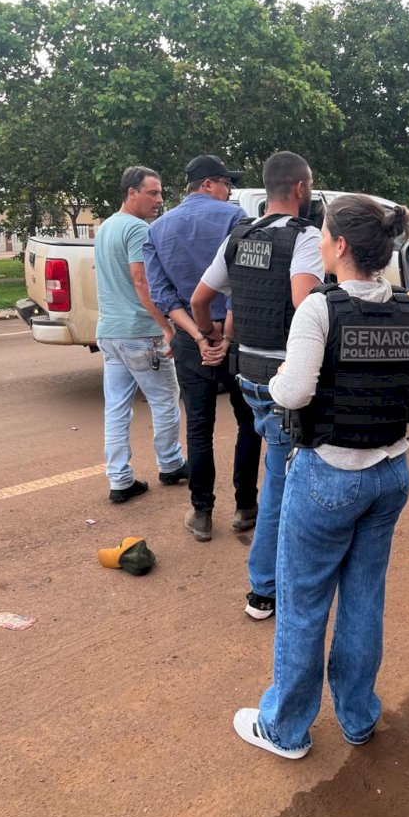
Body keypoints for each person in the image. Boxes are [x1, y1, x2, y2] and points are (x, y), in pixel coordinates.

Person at [231, 194, 409, 758]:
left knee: (302, 603)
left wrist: (271, 386)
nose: (318, 241)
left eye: (322, 233)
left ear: (341, 245)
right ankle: (358, 716)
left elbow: (294, 392)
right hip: (391, 474)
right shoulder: (406, 309)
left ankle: (286, 729)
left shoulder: (320, 309)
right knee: (364, 598)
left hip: (328, 475)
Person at [190, 151, 324, 619]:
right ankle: (264, 587)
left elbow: (199, 298)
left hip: (247, 373)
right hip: (286, 378)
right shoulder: (306, 236)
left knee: (278, 467)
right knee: (284, 481)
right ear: (301, 188)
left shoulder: (239, 235)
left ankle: (271, 578)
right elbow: (305, 304)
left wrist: (211, 335)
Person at [143, 154, 262, 542]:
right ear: (210, 184)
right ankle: (246, 507)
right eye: (227, 184)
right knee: (249, 422)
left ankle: (202, 514)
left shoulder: (156, 228)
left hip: (192, 341)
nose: (230, 192)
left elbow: (163, 296)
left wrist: (197, 336)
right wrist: (223, 338)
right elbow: (245, 285)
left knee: (199, 427)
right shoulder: (234, 219)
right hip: (236, 336)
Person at [95, 166, 186, 503]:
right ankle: (172, 464)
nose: (159, 200)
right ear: (131, 193)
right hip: (141, 333)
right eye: (153, 192)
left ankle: (120, 480)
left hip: (109, 333)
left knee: (116, 407)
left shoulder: (105, 227)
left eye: (160, 193)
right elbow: (141, 281)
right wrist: (165, 324)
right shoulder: (136, 229)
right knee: (164, 401)